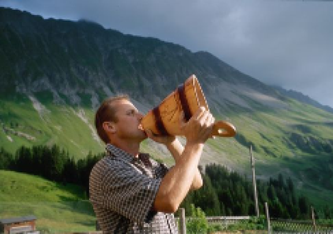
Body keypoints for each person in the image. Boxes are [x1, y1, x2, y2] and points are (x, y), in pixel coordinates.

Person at [89, 94, 215, 233]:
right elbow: (169, 200)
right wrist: (194, 143)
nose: (141, 116)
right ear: (110, 127)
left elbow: (195, 181)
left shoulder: (150, 164)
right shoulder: (107, 169)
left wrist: (171, 141)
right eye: (131, 113)